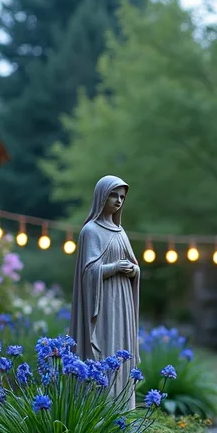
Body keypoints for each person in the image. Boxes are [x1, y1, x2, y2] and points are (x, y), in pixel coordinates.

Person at [69, 175, 140, 409]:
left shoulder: (120, 232)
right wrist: (114, 268)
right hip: (103, 303)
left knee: (121, 350)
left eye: (122, 197)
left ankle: (122, 410)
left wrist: (133, 270)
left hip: (123, 302)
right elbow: (88, 272)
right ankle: (102, 407)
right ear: (101, 196)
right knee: (105, 347)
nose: (119, 201)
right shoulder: (91, 231)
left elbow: (133, 264)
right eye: (114, 195)